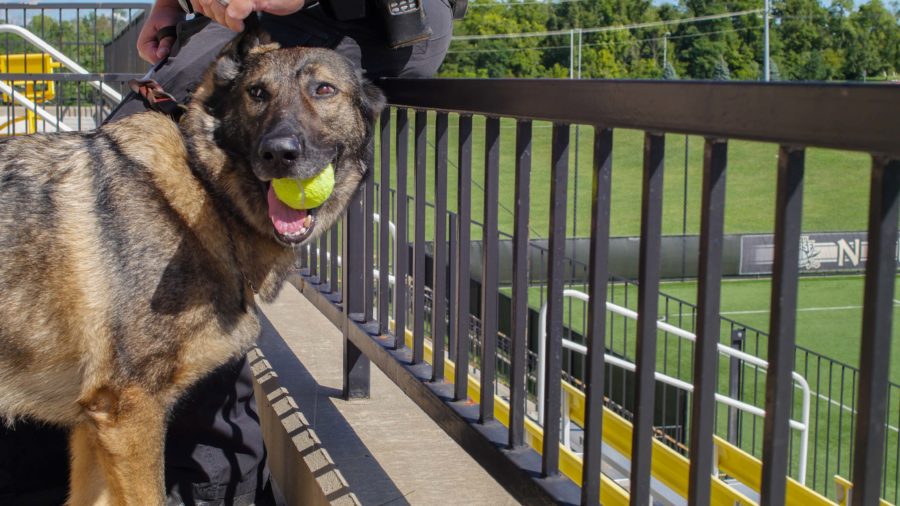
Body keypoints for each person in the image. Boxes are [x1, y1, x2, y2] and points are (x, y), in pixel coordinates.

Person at [0, 1, 452, 504]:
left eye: (322, 91)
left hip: (372, 17)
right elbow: (123, 404)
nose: (282, 137)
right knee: (136, 395)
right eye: (260, 95)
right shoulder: (161, 192)